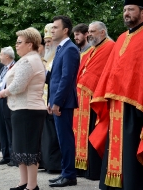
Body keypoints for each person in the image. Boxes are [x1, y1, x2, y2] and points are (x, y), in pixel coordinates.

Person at [89, 1, 143, 189]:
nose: (126, 13)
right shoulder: (120, 38)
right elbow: (110, 71)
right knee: (115, 145)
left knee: (130, 147)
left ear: (142, 12)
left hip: (135, 103)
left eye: (131, 10)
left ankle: (132, 184)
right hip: (115, 103)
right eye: (124, 10)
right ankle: (113, 184)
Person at [0, 27, 46, 190]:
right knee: (21, 148)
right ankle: (23, 182)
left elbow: (18, 85)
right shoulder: (28, 58)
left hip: (29, 110)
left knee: (29, 149)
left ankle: (32, 186)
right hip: (22, 109)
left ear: (30, 44)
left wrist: (4, 92)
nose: (16, 45)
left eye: (19, 42)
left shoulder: (28, 60)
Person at [73, 21, 115, 180]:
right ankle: (82, 167)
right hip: (84, 95)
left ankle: (93, 170)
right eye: (88, 31)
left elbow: (99, 73)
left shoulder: (110, 46)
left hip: (96, 96)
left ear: (102, 33)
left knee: (93, 131)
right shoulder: (93, 48)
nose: (89, 34)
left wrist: (85, 83)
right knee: (81, 133)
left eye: (92, 31)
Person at [48, 16, 80, 187]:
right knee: (62, 139)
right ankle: (65, 172)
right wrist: (50, 100)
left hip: (64, 103)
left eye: (55, 27)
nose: (52, 30)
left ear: (65, 30)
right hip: (59, 101)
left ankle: (69, 175)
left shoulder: (70, 49)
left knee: (66, 139)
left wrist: (57, 102)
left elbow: (67, 78)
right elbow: (54, 78)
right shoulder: (61, 48)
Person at [40, 23, 62, 173]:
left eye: (50, 41)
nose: (48, 44)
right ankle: (45, 163)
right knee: (45, 136)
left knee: (54, 136)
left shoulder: (58, 56)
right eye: (46, 42)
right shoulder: (45, 59)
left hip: (53, 101)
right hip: (42, 102)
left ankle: (54, 165)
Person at [0, 46, 15, 166]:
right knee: (2, 128)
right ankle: (5, 155)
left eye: (1, 54)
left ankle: (13, 156)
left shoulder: (15, 67)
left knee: (10, 129)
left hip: (9, 100)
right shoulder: (3, 68)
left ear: (7, 56)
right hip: (0, 101)